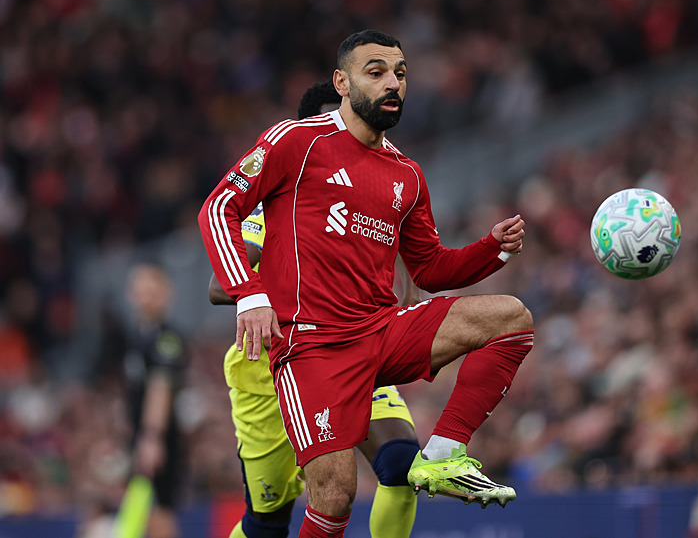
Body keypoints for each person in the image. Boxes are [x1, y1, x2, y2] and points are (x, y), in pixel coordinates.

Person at [198, 30, 534, 537]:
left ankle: (443, 454)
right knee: (325, 501)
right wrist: (251, 293)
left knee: (512, 318)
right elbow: (220, 208)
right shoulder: (296, 142)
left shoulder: (406, 174)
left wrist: (492, 248)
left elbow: (431, 270)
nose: (392, 83)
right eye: (375, 72)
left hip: (379, 331)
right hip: (310, 348)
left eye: (399, 73)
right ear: (342, 82)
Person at [208, 79, 421, 538]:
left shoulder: (377, 199)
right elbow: (217, 286)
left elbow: (401, 283)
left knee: (403, 466)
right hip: (269, 374)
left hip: (350, 355)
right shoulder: (274, 204)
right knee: (268, 522)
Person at [122, 264, 185, 538]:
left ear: (166, 293)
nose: (146, 297)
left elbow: (161, 388)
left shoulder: (166, 338)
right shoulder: (136, 336)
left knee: (160, 508)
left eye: (152, 290)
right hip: (140, 435)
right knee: (144, 509)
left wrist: (151, 438)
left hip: (158, 438)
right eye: (140, 291)